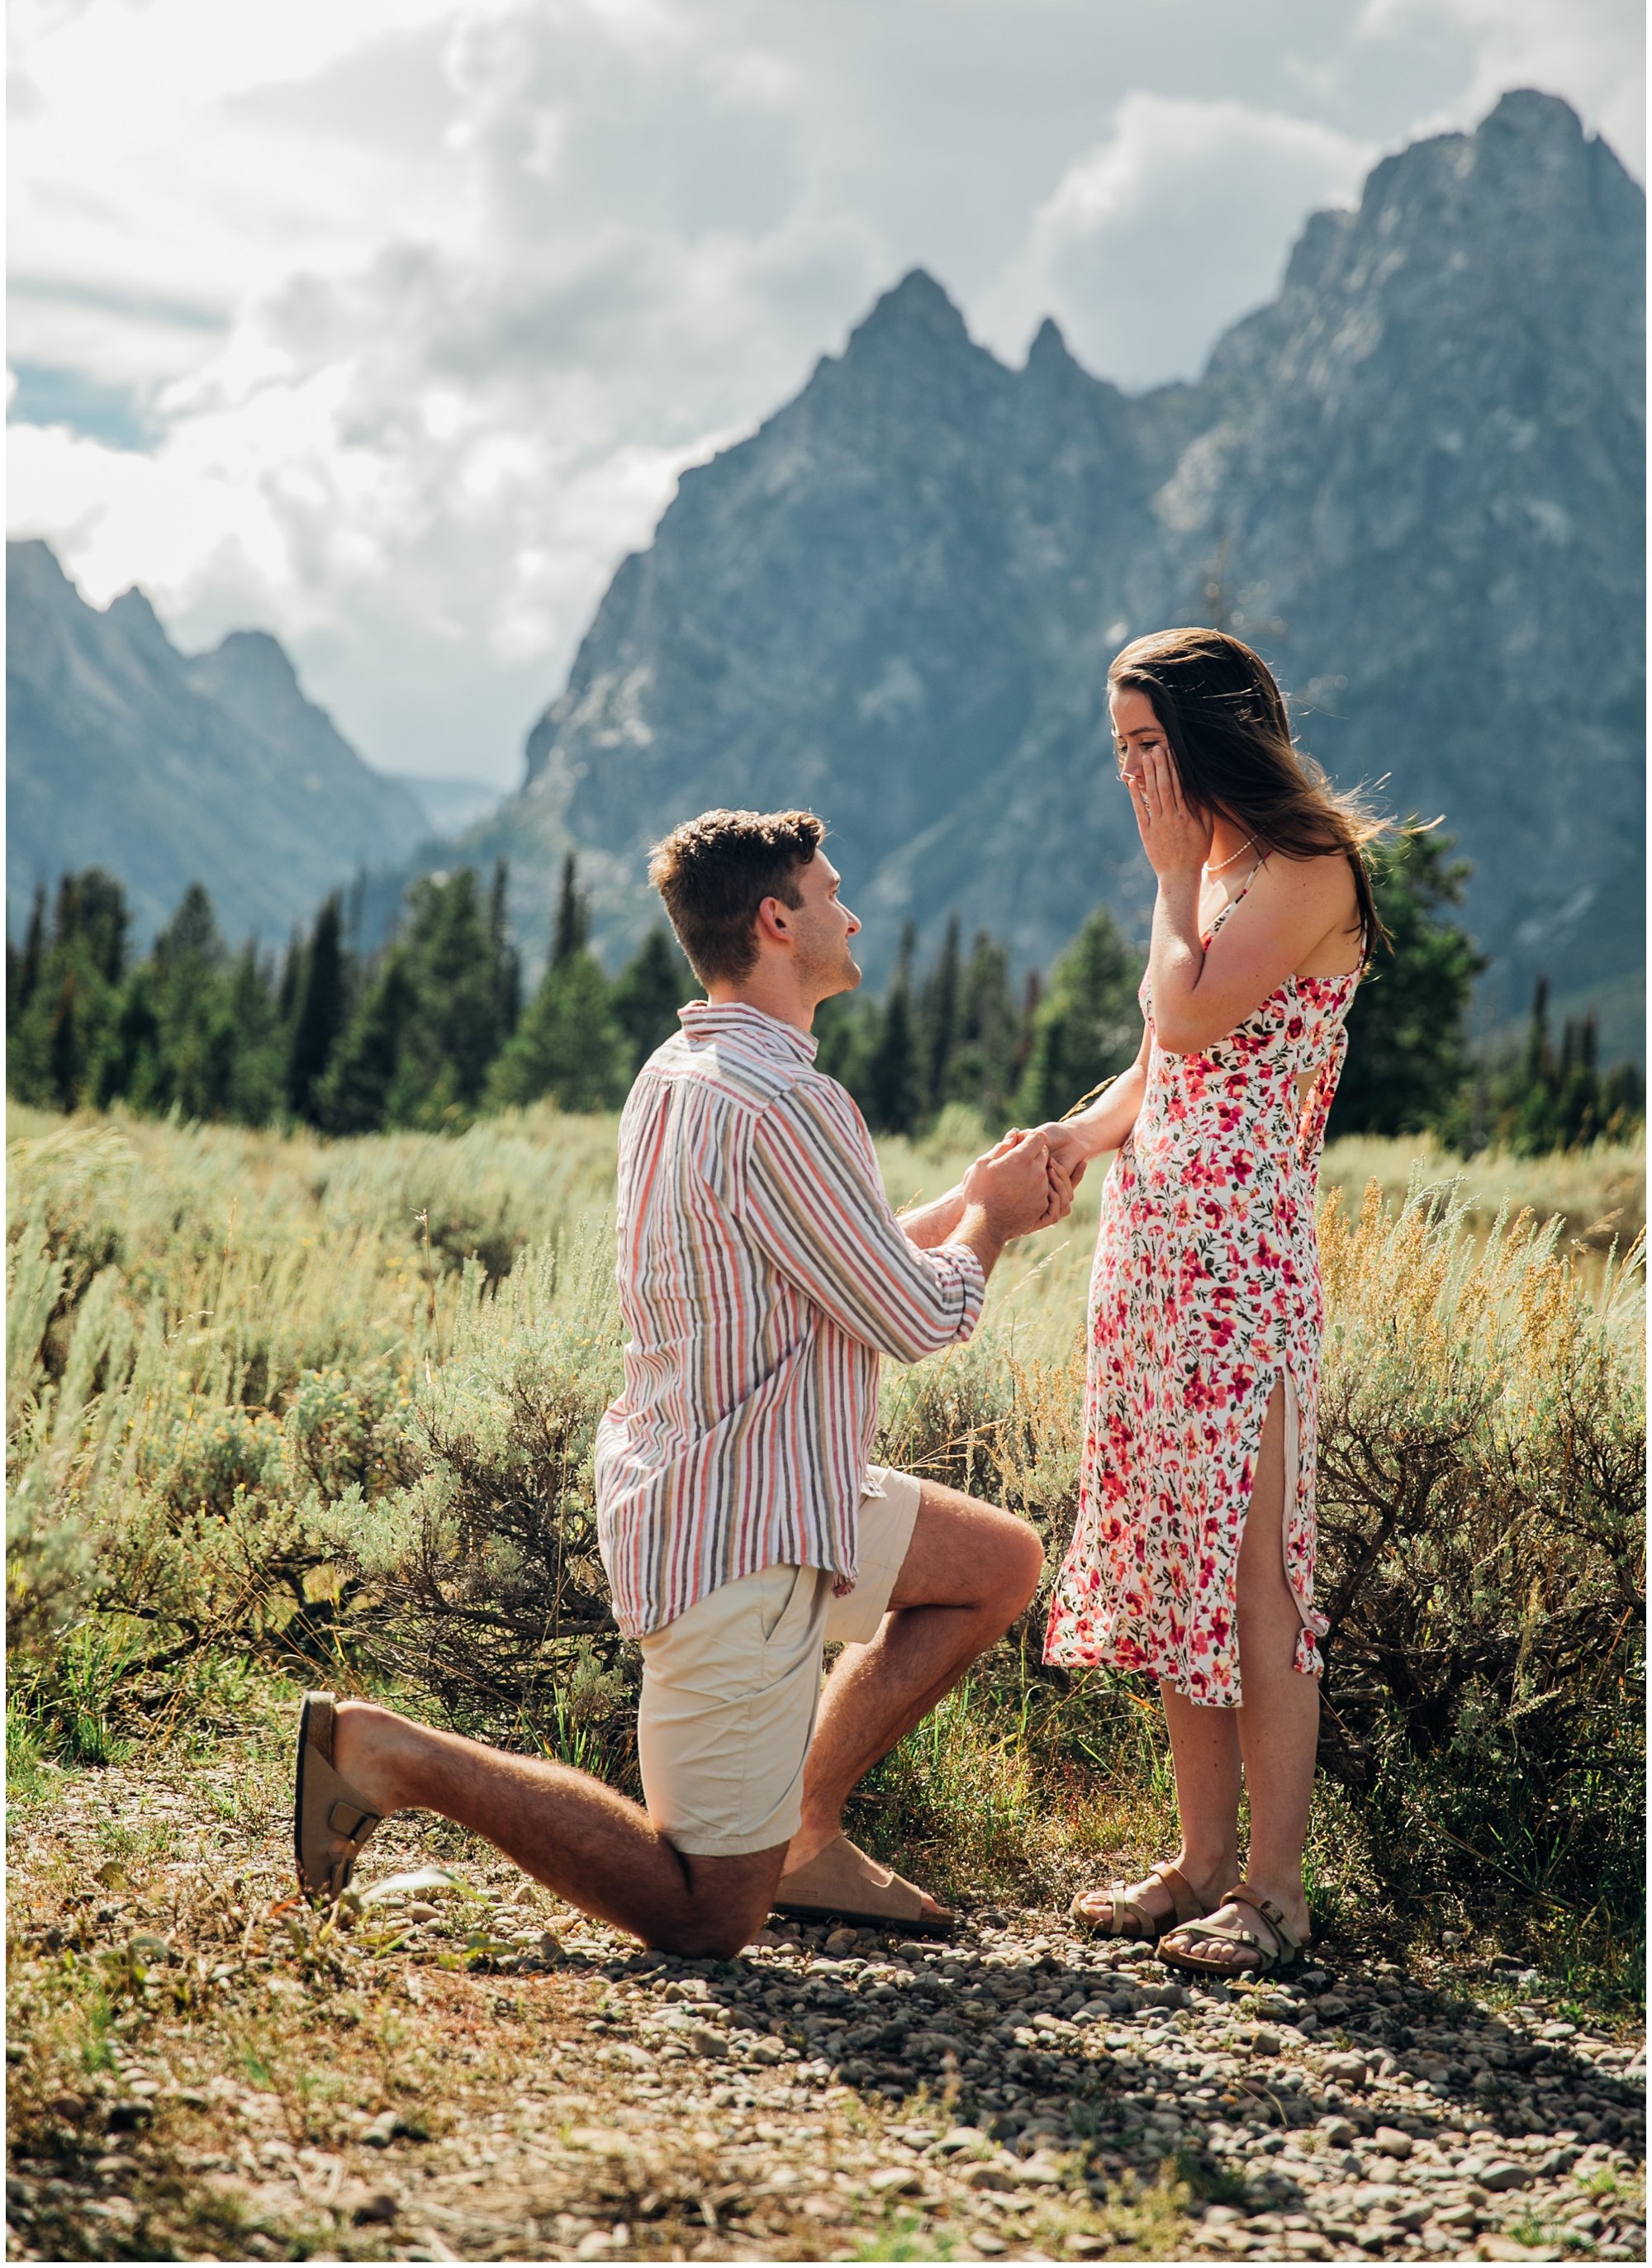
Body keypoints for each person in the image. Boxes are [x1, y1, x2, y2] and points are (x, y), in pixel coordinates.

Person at [295, 807, 1071, 1958]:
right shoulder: (793, 1101)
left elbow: (839, 1260)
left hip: (752, 1481)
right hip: (738, 1538)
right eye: (831, 892)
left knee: (998, 1563)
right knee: (706, 1912)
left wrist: (965, 1205)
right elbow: (917, 1315)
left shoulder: (682, 1070)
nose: (851, 912)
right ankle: (390, 1756)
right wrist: (996, 1223)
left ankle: (801, 1828)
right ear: (776, 918)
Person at [1035, 629, 1383, 1977]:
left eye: (1146, 745)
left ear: (1212, 732)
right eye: (1118, 749)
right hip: (1153, 1249)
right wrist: (1066, 1141)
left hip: (1244, 1263)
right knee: (1176, 1552)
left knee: (1256, 1577)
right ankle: (1195, 1864)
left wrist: (1173, 879)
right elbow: (1153, 1071)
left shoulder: (1303, 870)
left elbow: (1186, 1018)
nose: (1131, 775)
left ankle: (1278, 1889)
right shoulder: (1219, 874)